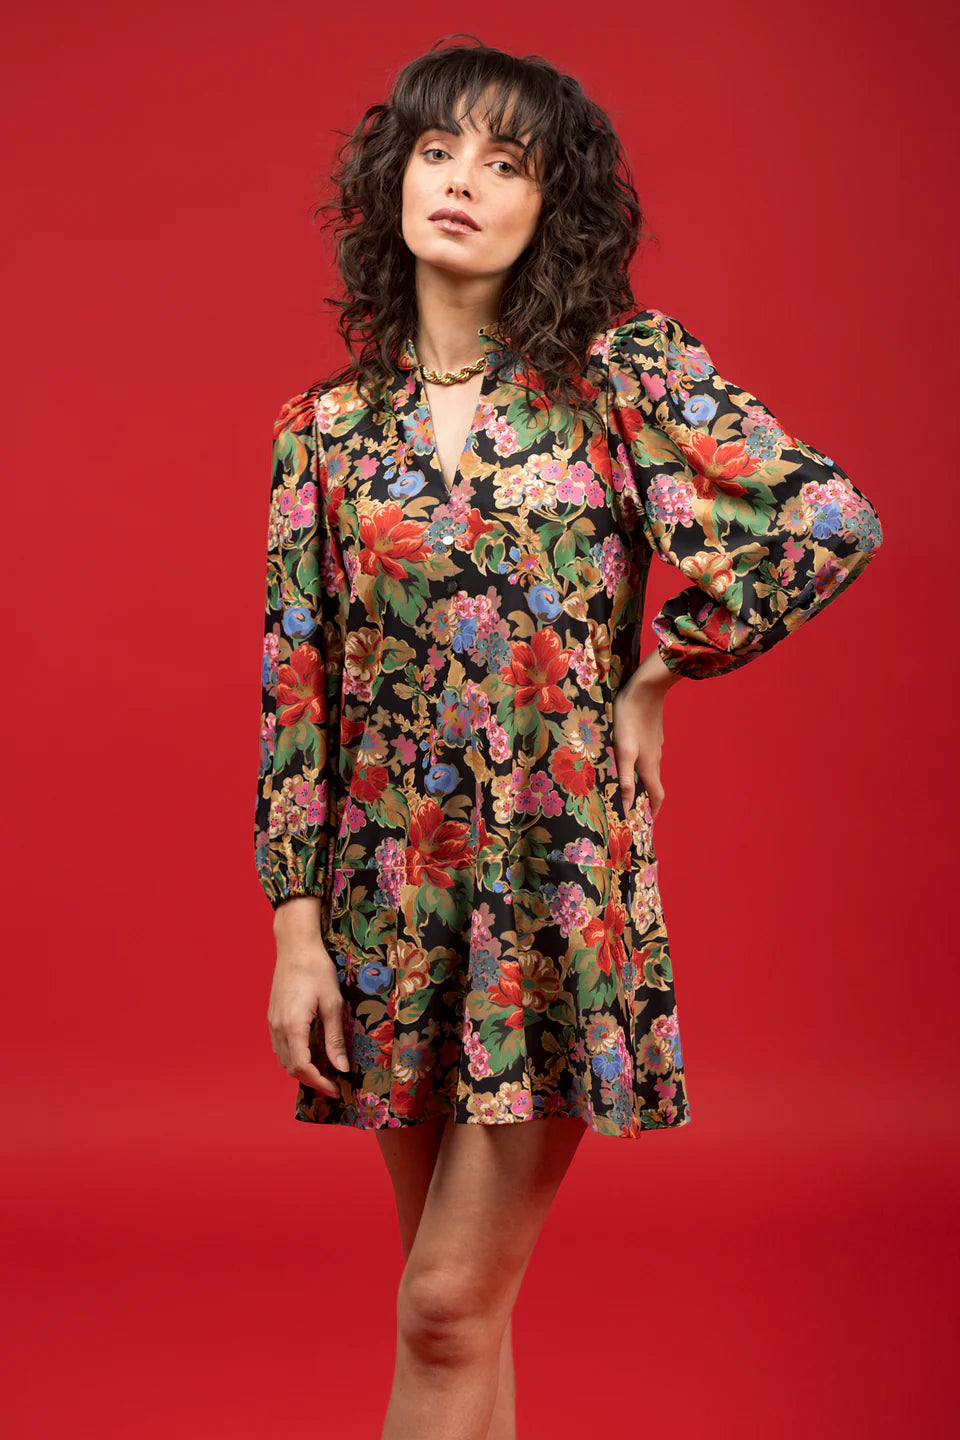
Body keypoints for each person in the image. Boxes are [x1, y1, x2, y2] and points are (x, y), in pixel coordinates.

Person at [254, 36, 883, 1440]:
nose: (463, 182)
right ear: (393, 177)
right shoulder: (326, 431)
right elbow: (299, 688)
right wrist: (297, 933)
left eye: (506, 162)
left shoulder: (619, 379)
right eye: (438, 151)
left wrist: (662, 669)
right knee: (457, 1318)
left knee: (443, 1307)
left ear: (554, 206)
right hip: (389, 904)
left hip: (554, 894)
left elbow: (828, 521)